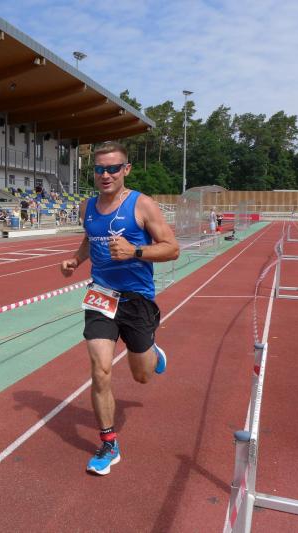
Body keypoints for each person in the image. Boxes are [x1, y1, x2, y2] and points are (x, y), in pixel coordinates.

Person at [60, 141, 179, 476]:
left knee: (142, 376)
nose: (106, 175)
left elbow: (172, 249)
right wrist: (76, 260)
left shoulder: (142, 205)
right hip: (101, 296)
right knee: (100, 369)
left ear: (126, 169)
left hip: (136, 298)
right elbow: (90, 237)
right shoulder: (87, 206)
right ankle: (109, 443)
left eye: (113, 168)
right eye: (99, 169)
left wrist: (135, 252)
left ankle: (151, 349)